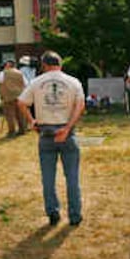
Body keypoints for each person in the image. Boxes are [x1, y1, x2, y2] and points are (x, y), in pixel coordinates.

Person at [18, 50, 85, 226]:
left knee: (48, 177)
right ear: (60, 64)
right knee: (72, 177)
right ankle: (75, 215)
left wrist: (32, 121)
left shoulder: (36, 82)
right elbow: (80, 105)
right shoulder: (73, 82)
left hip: (45, 133)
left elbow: (22, 102)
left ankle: (53, 212)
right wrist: (68, 127)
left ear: (44, 65)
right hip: (66, 132)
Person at [0, 60, 27, 136]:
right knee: (20, 114)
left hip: (8, 96)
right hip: (19, 96)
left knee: (9, 115)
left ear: (8, 65)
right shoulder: (20, 73)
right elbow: (26, 83)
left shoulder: (3, 73)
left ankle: (12, 131)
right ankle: (22, 129)